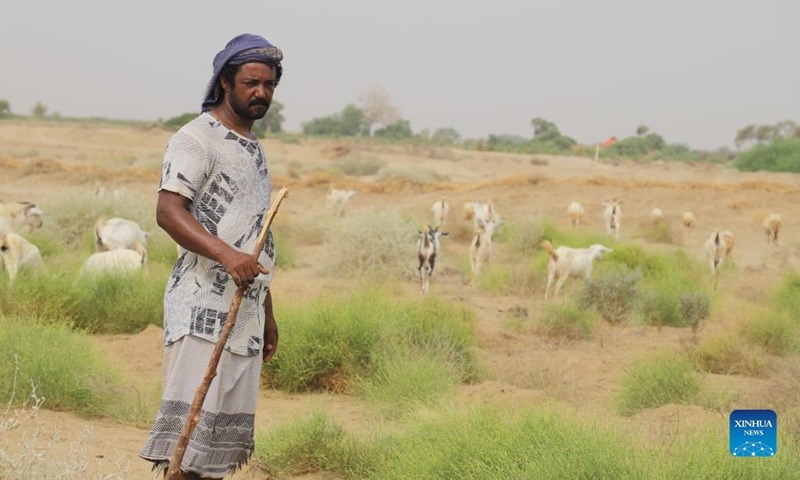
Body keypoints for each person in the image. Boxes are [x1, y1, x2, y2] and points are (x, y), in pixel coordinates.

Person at [139, 33, 283, 479]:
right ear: (225, 82)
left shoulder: (252, 146)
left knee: (215, 453)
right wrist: (226, 256)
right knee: (187, 444)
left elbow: (251, 238)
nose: (261, 92)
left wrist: (267, 310)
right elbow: (168, 210)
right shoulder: (197, 138)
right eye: (251, 82)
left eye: (270, 84)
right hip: (200, 308)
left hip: (244, 312)